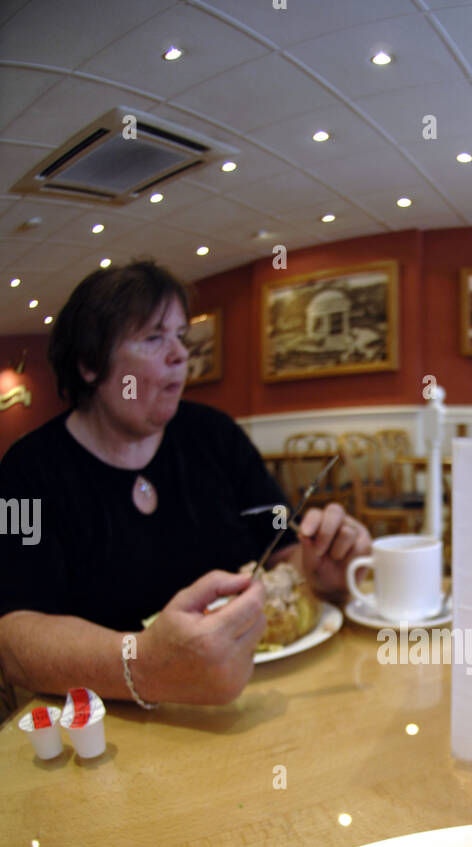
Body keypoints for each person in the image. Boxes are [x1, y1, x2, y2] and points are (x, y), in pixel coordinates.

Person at [0, 260, 371, 706]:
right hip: (109, 722)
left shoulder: (216, 435)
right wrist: (144, 663)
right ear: (89, 365)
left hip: (256, 700)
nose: (179, 354)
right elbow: (15, 636)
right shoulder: (25, 470)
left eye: (181, 336)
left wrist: (320, 569)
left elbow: (284, 554)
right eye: (153, 337)